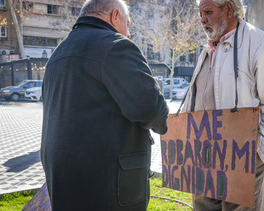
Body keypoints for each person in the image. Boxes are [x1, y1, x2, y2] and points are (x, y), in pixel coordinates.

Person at [40, 0, 169, 210]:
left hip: (63, 183)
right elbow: (150, 107)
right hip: (108, 186)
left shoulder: (58, 53)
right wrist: (162, 123)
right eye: (128, 24)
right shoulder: (115, 45)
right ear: (114, 16)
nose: (129, 34)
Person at [182, 0, 264, 210]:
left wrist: (258, 152)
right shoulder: (208, 48)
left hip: (242, 155)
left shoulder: (260, 43)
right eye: (200, 14)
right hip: (203, 154)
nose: (203, 19)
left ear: (229, 9)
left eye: (208, 11)